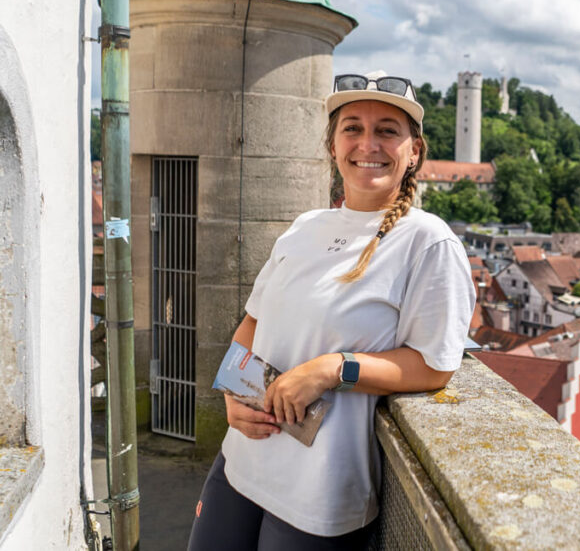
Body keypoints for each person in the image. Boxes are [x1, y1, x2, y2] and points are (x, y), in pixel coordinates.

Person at [187, 71, 476, 550]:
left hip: (318, 491)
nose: (369, 143)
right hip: (241, 460)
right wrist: (233, 397)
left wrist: (331, 369)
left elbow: (434, 365)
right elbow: (253, 323)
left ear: (414, 152)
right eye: (352, 128)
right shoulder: (305, 227)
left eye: (387, 129)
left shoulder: (428, 242)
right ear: (333, 146)